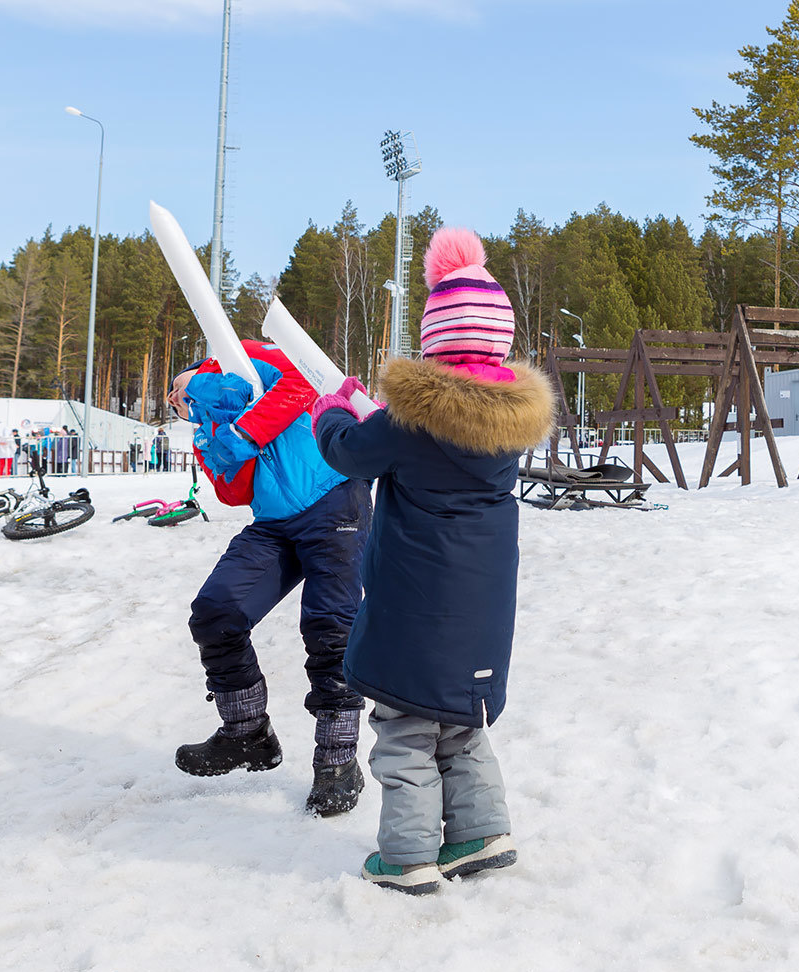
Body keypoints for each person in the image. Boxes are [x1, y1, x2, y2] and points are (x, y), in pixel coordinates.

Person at [310, 228, 553, 894]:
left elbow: (350, 452)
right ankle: (481, 832)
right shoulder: (509, 426)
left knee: (406, 726)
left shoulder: (412, 418)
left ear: (434, 341)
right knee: (461, 720)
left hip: (413, 609)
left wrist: (332, 410)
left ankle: (408, 853)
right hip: (482, 615)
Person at [171, 339, 371, 818]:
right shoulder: (209, 423)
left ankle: (338, 761)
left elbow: (302, 384)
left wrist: (207, 390)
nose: (174, 401)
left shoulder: (241, 355)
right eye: (176, 406)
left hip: (334, 499)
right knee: (217, 612)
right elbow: (235, 493)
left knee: (330, 629)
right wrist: (217, 435)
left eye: (175, 390)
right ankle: (247, 734)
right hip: (273, 523)